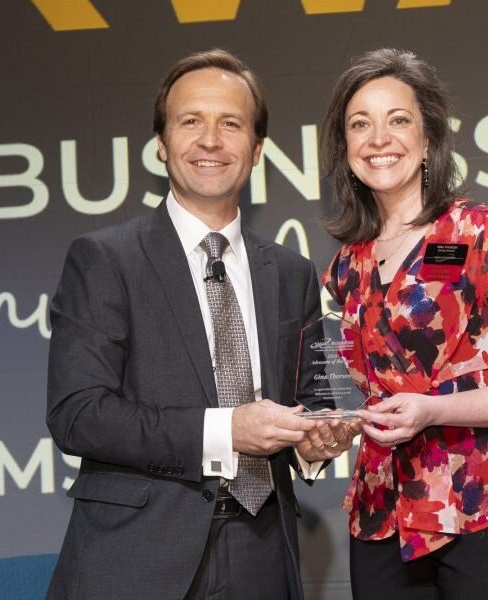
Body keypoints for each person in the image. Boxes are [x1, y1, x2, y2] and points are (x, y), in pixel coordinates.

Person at [46, 48, 355, 600]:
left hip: (265, 554)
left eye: (230, 124)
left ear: (257, 150)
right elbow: (79, 415)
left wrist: (316, 442)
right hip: (137, 556)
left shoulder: (292, 272)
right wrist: (226, 430)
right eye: (191, 121)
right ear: (162, 143)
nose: (210, 140)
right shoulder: (104, 259)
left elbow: (308, 404)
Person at [320, 48, 488, 599]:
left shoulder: (481, 231)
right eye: (361, 124)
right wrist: (324, 432)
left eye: (397, 120)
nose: (379, 138)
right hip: (381, 512)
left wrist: (434, 410)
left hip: (485, 501)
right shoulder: (344, 266)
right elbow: (353, 390)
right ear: (345, 148)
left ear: (428, 140)